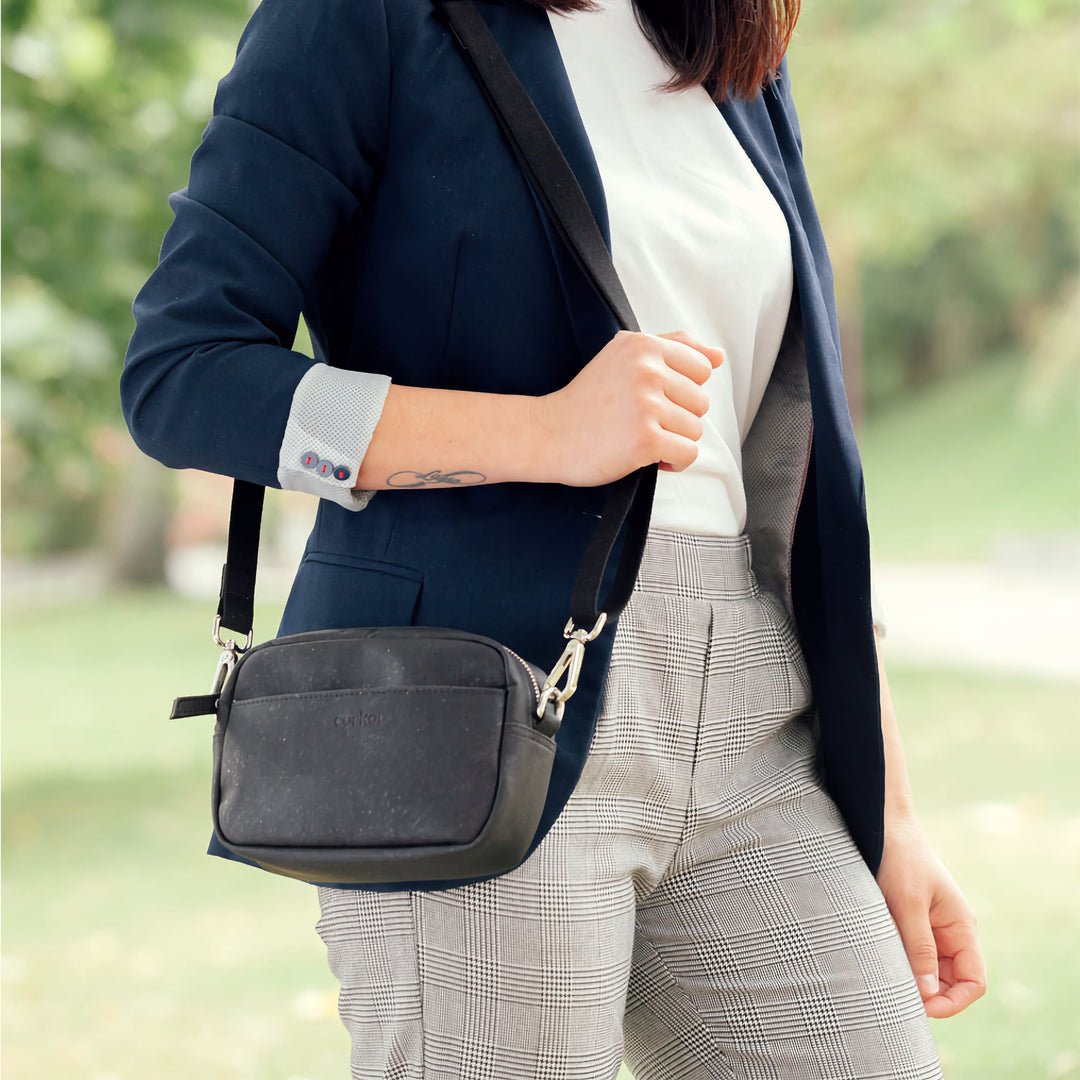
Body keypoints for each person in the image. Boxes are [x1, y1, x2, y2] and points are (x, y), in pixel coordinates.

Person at [120, 0, 987, 1076]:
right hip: (468, 719)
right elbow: (183, 376)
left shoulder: (729, 50)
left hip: (762, 712)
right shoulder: (361, 19)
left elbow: (793, 480)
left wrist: (890, 811)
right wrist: (540, 433)